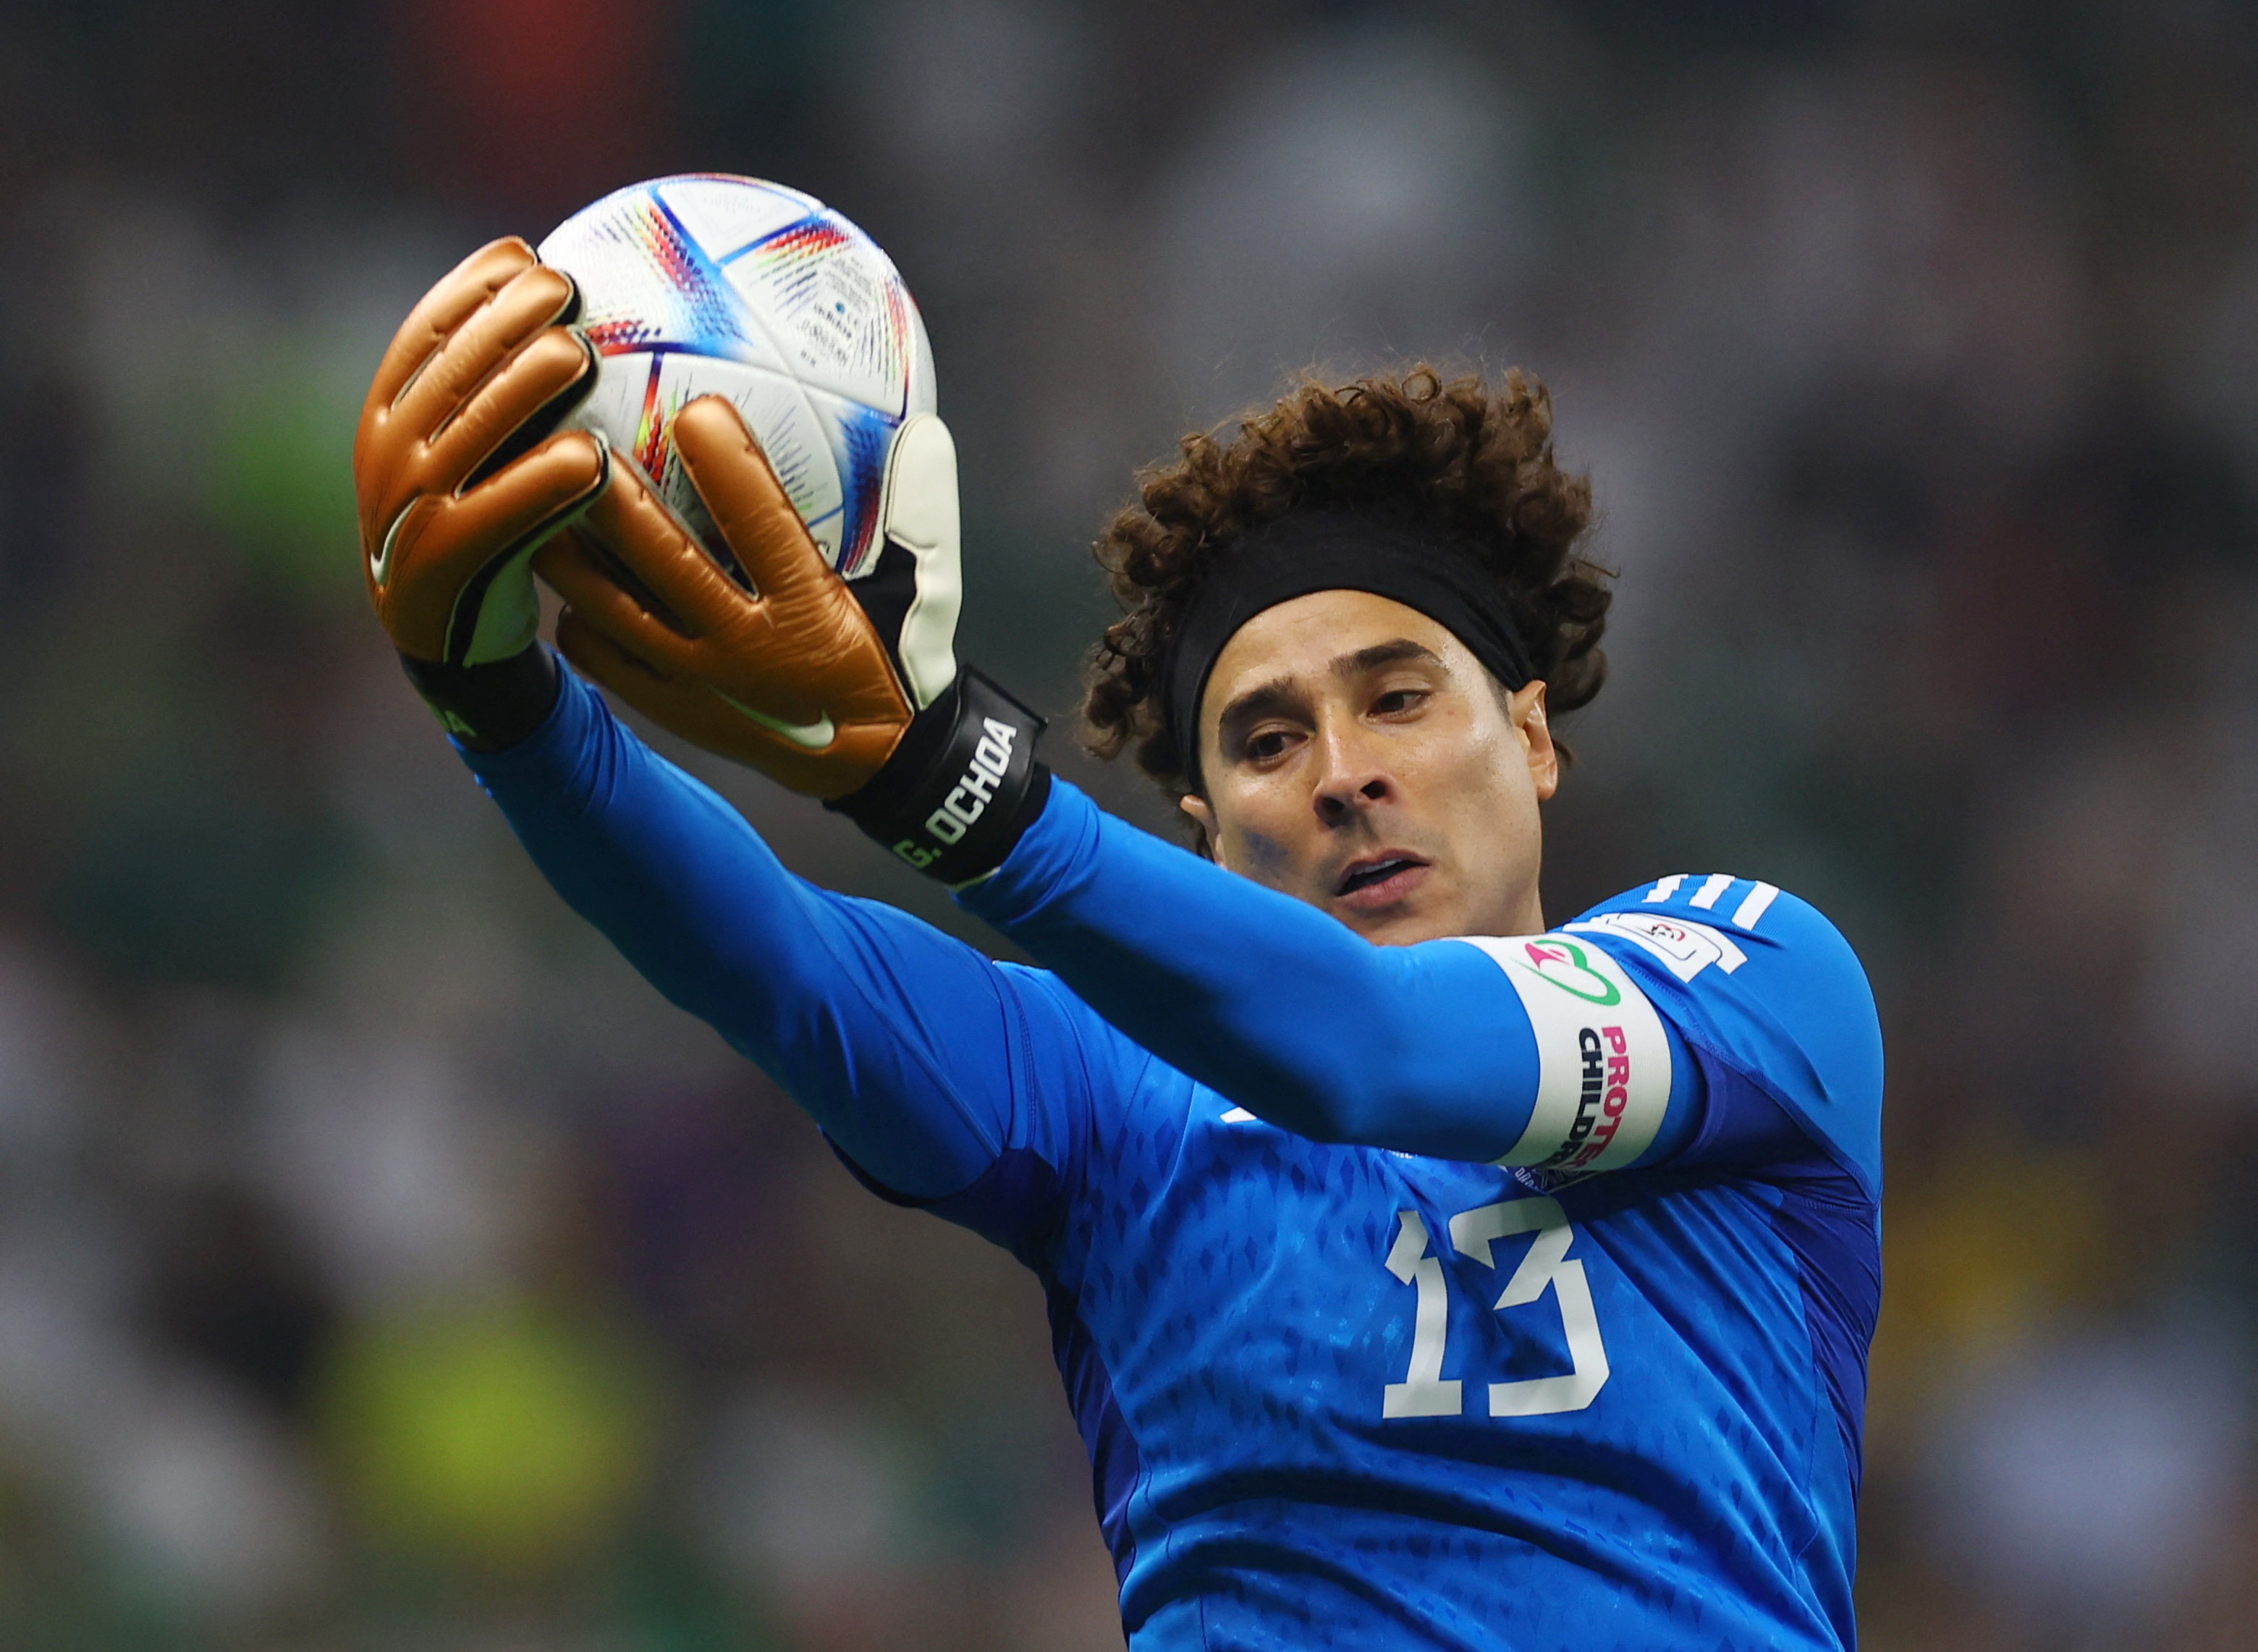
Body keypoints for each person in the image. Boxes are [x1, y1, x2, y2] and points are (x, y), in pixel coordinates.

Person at [355, 240, 1882, 1651]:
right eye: (1267, 738)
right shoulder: (1113, 1097)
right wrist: (512, 719)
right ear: (1208, 836)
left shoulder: (1750, 984)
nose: (1344, 771)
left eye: (1399, 695)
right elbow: (784, 965)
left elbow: (1376, 1046)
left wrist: (940, 772)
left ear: (1533, 735)